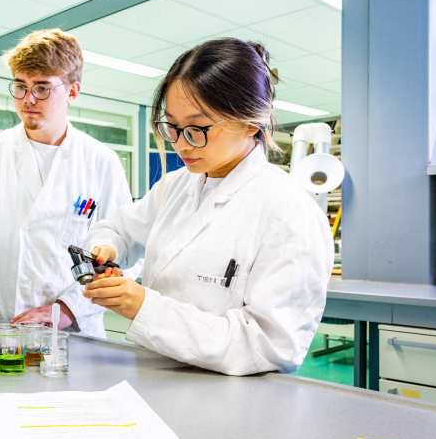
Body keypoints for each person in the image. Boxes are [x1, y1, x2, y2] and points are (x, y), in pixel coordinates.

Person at [83, 38, 333, 374]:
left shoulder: (288, 210)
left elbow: (271, 345)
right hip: (156, 378)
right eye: (172, 125)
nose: (180, 143)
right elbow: (118, 229)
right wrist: (106, 249)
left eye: (198, 128)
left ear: (250, 122)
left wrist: (144, 306)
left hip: (233, 401)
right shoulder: (176, 186)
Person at [0, 29, 132, 338]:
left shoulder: (101, 161)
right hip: (2, 324)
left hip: (74, 334)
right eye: (20, 86)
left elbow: (125, 254)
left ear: (72, 91)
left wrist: (66, 309)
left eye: (42, 88)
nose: (28, 99)